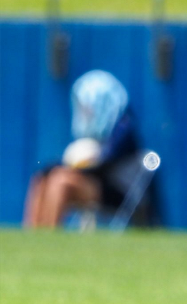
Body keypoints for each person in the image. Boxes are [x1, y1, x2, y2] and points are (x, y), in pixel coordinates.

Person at [23, 70, 157, 229]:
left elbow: (103, 164)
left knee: (61, 181)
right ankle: (32, 234)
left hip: (119, 192)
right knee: (41, 178)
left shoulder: (124, 128)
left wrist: (65, 168)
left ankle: (48, 235)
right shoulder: (95, 132)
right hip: (97, 183)